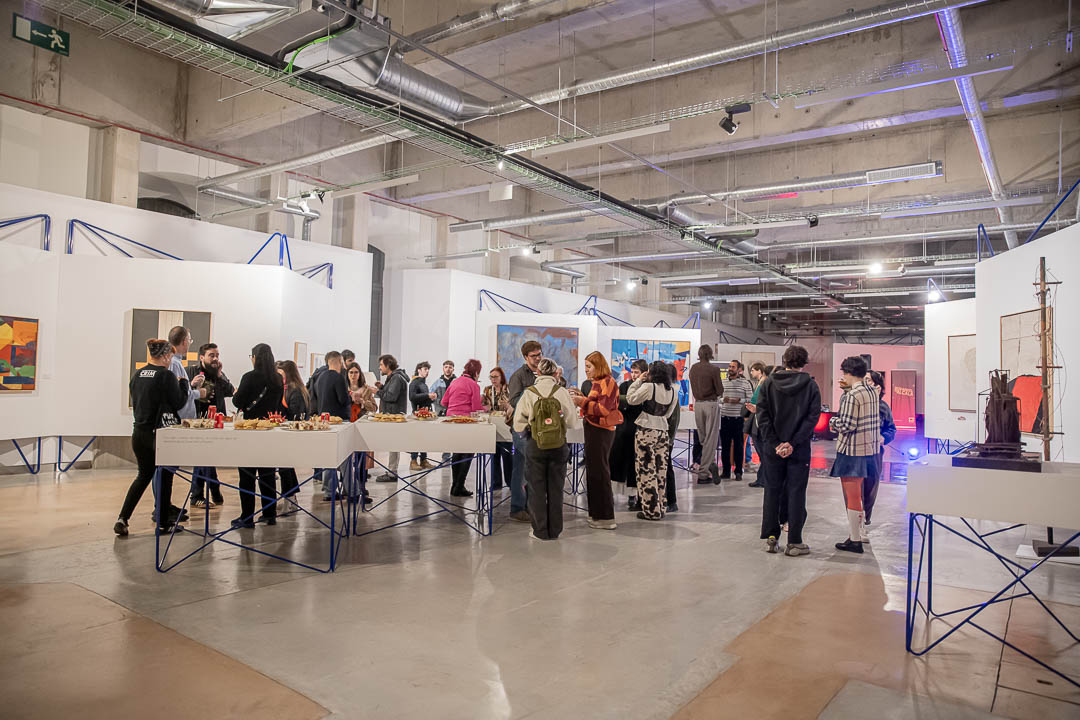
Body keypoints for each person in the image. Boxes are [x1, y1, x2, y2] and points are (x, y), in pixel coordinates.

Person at [114, 339, 189, 536]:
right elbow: (179, 402)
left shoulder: (137, 375)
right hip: (160, 434)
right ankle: (163, 523)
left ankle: (123, 518)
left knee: (143, 476)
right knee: (165, 476)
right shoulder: (166, 375)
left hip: (139, 432)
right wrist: (183, 385)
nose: (170, 360)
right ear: (165, 356)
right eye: (170, 356)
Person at [756, 345, 821, 557]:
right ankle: (794, 541)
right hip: (798, 449)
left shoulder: (768, 383)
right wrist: (792, 443)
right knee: (796, 492)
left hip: (772, 448)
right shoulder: (811, 386)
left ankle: (771, 538)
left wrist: (775, 443)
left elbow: (762, 415)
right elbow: (812, 418)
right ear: (804, 362)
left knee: (772, 490)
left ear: (784, 360)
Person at [512, 358, 579, 540]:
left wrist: (528, 431)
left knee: (536, 489)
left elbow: (518, 424)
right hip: (559, 445)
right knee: (556, 489)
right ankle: (555, 530)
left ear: (539, 373)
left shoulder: (529, 392)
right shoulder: (562, 392)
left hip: (536, 444)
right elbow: (572, 422)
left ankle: (539, 531)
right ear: (556, 373)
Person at [829, 356, 880, 554]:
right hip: (869, 449)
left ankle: (855, 539)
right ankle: (858, 534)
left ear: (848, 373)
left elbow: (847, 425)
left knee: (852, 497)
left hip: (852, 450)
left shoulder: (852, 395)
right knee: (858, 496)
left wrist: (832, 422)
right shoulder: (872, 391)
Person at [231, 343, 285, 528]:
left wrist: (237, 394)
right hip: (269, 430)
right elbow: (277, 404)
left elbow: (238, 401)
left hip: (250, 430)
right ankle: (269, 514)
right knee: (267, 474)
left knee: (247, 476)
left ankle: (247, 517)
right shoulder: (277, 379)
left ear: (254, 358)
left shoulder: (249, 377)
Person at [570, 352, 621, 530]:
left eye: (589, 367)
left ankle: (605, 517)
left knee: (599, 473)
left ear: (598, 366)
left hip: (601, 431)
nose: (586, 370)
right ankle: (597, 514)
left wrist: (581, 401)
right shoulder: (599, 382)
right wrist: (582, 399)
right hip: (595, 429)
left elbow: (604, 409)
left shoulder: (607, 382)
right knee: (594, 472)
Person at [627, 360, 678, 521]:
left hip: (646, 430)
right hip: (663, 431)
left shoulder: (649, 387)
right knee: (660, 472)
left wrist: (637, 381)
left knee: (646, 472)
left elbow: (630, 398)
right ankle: (661, 506)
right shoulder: (673, 391)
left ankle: (650, 510)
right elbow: (668, 414)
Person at [187, 342, 233, 508]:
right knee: (202, 457)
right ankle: (198, 495)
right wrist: (192, 385)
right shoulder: (191, 372)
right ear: (201, 357)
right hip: (198, 422)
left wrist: (220, 375)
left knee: (208, 457)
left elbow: (230, 391)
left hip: (217, 423)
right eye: (211, 355)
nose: (215, 359)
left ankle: (214, 489)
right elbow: (181, 393)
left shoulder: (218, 373)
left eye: (217, 355)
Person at [507, 341, 543, 522]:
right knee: (523, 469)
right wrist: (532, 394)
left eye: (539, 354)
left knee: (526, 468)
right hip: (522, 428)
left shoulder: (544, 373)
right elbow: (513, 401)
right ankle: (518, 508)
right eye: (534, 356)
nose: (538, 358)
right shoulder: (518, 376)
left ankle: (528, 506)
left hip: (539, 427)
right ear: (525, 357)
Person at [443, 358, 484, 497]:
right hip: (466, 422)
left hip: (451, 421)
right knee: (468, 452)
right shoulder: (474, 385)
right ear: (476, 373)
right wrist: (486, 408)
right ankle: (459, 486)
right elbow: (476, 408)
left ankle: (455, 486)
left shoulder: (454, 382)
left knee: (456, 452)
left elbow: (444, 402)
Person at [612, 359, 648, 510]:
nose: (633, 375)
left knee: (635, 464)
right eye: (632, 372)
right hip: (624, 428)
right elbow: (619, 403)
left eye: (636, 372)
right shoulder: (624, 385)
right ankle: (616, 492)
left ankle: (633, 495)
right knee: (619, 461)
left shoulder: (647, 387)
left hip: (638, 428)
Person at [864, 371, 896, 535]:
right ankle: (856, 522)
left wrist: (883, 438)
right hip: (855, 452)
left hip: (875, 452)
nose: (865, 383)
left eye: (868, 380)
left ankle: (865, 518)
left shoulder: (883, 406)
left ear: (878, 386)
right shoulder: (855, 402)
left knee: (870, 486)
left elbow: (891, 429)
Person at [315, 351, 351, 500]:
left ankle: (329, 491)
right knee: (345, 456)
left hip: (324, 420)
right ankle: (352, 491)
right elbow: (343, 399)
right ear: (339, 361)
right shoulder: (338, 378)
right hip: (339, 420)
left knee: (328, 456)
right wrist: (351, 397)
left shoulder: (320, 377)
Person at [689, 345, 725, 484]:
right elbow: (720, 390)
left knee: (703, 437)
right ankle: (704, 472)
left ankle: (709, 464)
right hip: (710, 404)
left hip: (698, 404)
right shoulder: (714, 369)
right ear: (710, 354)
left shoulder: (693, 368)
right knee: (710, 438)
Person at [276, 360, 308, 503]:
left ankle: (289, 498)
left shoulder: (294, 391)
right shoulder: (290, 389)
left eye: (280, 374)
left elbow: (295, 415)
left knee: (285, 466)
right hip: (287, 432)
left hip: (291, 433)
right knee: (285, 467)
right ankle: (291, 497)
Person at [374, 354, 411, 482]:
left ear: (388, 365)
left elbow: (391, 397)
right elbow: (391, 393)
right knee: (393, 445)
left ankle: (392, 473)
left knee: (393, 445)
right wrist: (382, 388)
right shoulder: (394, 377)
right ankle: (391, 471)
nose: (380, 368)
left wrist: (377, 392)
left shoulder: (396, 378)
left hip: (394, 416)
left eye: (381, 365)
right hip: (393, 416)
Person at [719, 360, 753, 481]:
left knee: (739, 446)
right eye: (729, 366)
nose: (730, 368)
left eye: (733, 367)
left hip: (738, 419)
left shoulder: (745, 383)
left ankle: (738, 471)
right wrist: (723, 400)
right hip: (725, 418)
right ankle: (726, 471)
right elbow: (718, 398)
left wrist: (740, 401)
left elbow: (750, 399)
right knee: (725, 446)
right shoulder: (722, 382)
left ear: (739, 369)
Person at [483, 366, 513, 490]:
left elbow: (514, 404)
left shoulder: (509, 388)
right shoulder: (487, 390)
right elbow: (485, 405)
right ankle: (496, 483)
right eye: (491, 377)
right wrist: (485, 406)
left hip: (506, 424)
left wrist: (508, 405)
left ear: (501, 377)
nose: (493, 379)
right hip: (493, 424)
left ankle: (510, 482)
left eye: (495, 377)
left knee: (507, 455)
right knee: (494, 454)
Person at [745, 363, 771, 489]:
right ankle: (762, 479)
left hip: (760, 422)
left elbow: (755, 401)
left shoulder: (763, 384)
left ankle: (763, 479)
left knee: (763, 454)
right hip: (759, 421)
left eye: (753, 370)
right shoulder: (762, 384)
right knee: (763, 454)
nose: (751, 373)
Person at [409, 361, 438, 471]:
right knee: (416, 438)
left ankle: (423, 460)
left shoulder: (423, 384)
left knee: (424, 438)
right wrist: (427, 395)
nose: (427, 371)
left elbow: (423, 399)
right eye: (425, 369)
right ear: (419, 370)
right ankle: (413, 461)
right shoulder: (414, 382)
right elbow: (412, 397)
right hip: (417, 415)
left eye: (428, 369)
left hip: (425, 414)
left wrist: (431, 398)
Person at [664, 363, 682, 513]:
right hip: (666, 437)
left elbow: (674, 419)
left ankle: (672, 501)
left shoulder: (672, 393)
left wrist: (670, 439)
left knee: (667, 468)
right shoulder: (668, 392)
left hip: (666, 438)